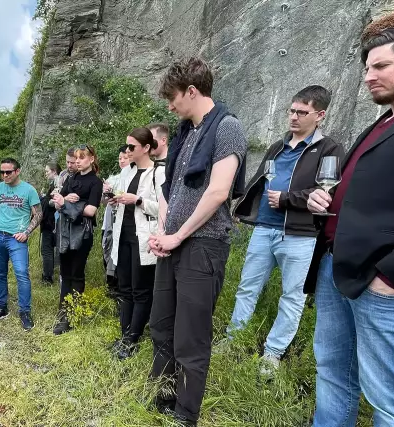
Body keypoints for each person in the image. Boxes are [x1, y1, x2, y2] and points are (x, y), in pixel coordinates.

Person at [305, 10, 394, 426]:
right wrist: (324, 202)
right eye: (366, 68)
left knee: (389, 401)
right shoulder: (383, 122)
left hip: (381, 282)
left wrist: (393, 275)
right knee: (332, 374)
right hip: (337, 267)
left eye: (381, 65)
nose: (369, 76)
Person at [147, 57, 247, 426]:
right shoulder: (185, 132)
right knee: (162, 325)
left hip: (204, 246)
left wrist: (176, 236)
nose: (169, 105)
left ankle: (185, 415)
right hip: (174, 244)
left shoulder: (228, 127)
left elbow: (219, 192)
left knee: (190, 337)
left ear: (191, 91)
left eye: (172, 97)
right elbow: (171, 191)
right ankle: (163, 396)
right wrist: (163, 235)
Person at [228, 85, 344, 374]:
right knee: (247, 288)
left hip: (300, 236)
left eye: (301, 112)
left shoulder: (329, 149)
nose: (293, 116)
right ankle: (233, 340)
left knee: (292, 297)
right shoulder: (277, 146)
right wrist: (242, 209)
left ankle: (273, 353)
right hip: (264, 230)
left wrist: (287, 199)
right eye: (291, 110)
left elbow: (328, 193)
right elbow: (260, 181)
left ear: (320, 115)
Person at [108, 128, 165, 359]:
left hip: (143, 238)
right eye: (127, 146)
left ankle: (133, 338)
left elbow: (163, 207)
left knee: (141, 290)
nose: (128, 151)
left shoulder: (158, 173)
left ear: (147, 148)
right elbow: (122, 198)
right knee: (125, 288)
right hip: (123, 236)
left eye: (132, 147)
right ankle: (125, 334)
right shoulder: (127, 172)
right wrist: (114, 199)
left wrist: (138, 200)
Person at [0, 158, 42, 331]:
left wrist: (26, 233)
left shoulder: (29, 190)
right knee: (0, 274)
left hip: (16, 239)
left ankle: (24, 311)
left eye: (8, 172)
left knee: (22, 274)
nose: (5, 175)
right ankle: (1, 307)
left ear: (17, 171)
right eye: (2, 172)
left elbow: (38, 214)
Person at [52, 145, 104, 335]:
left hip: (83, 232)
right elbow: (57, 203)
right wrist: (64, 199)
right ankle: (63, 313)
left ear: (91, 159)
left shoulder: (95, 183)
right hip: (65, 230)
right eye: (76, 157)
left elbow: (91, 211)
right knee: (65, 272)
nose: (78, 161)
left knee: (76, 272)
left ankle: (72, 315)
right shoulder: (71, 178)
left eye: (82, 157)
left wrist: (67, 202)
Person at [101, 145, 130, 299]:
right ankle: (111, 286)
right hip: (109, 222)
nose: (122, 161)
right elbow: (103, 202)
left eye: (125, 157)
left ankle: (120, 290)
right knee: (107, 250)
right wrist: (106, 192)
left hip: (123, 223)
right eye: (120, 158)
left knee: (119, 255)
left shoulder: (134, 178)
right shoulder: (114, 178)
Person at [40, 161, 61, 284]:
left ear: (54, 171)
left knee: (47, 249)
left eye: (47, 171)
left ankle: (47, 277)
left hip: (51, 222)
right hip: (52, 221)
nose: (46, 174)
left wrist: (46, 201)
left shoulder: (58, 184)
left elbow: (56, 202)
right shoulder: (54, 184)